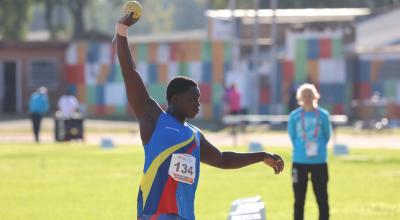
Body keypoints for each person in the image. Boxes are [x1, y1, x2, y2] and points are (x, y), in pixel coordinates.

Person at [115, 12, 284, 220]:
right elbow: (129, 72)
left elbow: (222, 159)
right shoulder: (154, 119)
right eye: (192, 99)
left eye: (199, 99)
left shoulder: (194, 136)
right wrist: (122, 32)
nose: (198, 104)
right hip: (154, 215)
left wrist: (261, 156)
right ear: (175, 99)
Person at [287, 83, 332, 220]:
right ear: (300, 97)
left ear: (315, 97)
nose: (307, 98)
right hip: (299, 161)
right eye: (304, 95)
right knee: (299, 199)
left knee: (322, 198)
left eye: (309, 95)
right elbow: (292, 135)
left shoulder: (323, 115)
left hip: (319, 161)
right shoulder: (294, 116)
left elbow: (327, 134)